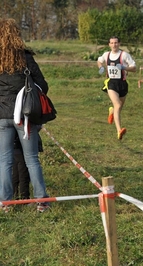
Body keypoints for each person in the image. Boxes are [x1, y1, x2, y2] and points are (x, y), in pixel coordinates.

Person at [0, 18, 50, 213]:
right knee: (31, 158)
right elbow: (43, 86)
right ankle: (42, 202)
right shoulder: (26, 58)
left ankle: (5, 203)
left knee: (4, 160)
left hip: (2, 116)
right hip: (25, 116)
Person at [97, 36, 137, 140]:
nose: (114, 45)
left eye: (116, 43)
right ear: (109, 44)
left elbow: (134, 68)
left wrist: (124, 67)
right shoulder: (106, 55)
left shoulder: (124, 55)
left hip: (122, 84)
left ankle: (111, 111)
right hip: (111, 83)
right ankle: (119, 130)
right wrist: (101, 67)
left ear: (119, 43)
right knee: (117, 104)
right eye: (112, 43)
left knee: (119, 108)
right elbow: (99, 60)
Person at [12, 133, 43, 200]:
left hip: (13, 148)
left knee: (15, 174)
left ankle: (14, 196)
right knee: (24, 176)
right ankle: (24, 198)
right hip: (23, 147)